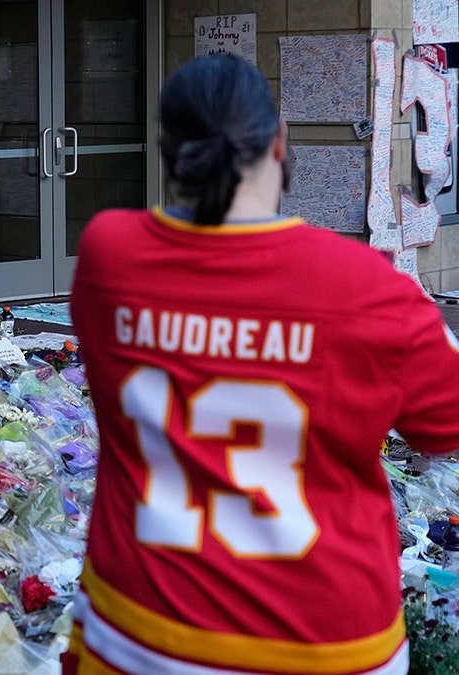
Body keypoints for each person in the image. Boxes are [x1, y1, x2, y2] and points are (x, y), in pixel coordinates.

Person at [68, 53, 459, 675]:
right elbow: (444, 428)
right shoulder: (369, 288)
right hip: (329, 643)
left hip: (142, 630)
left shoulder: (108, 255)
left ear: (167, 150)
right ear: (278, 142)